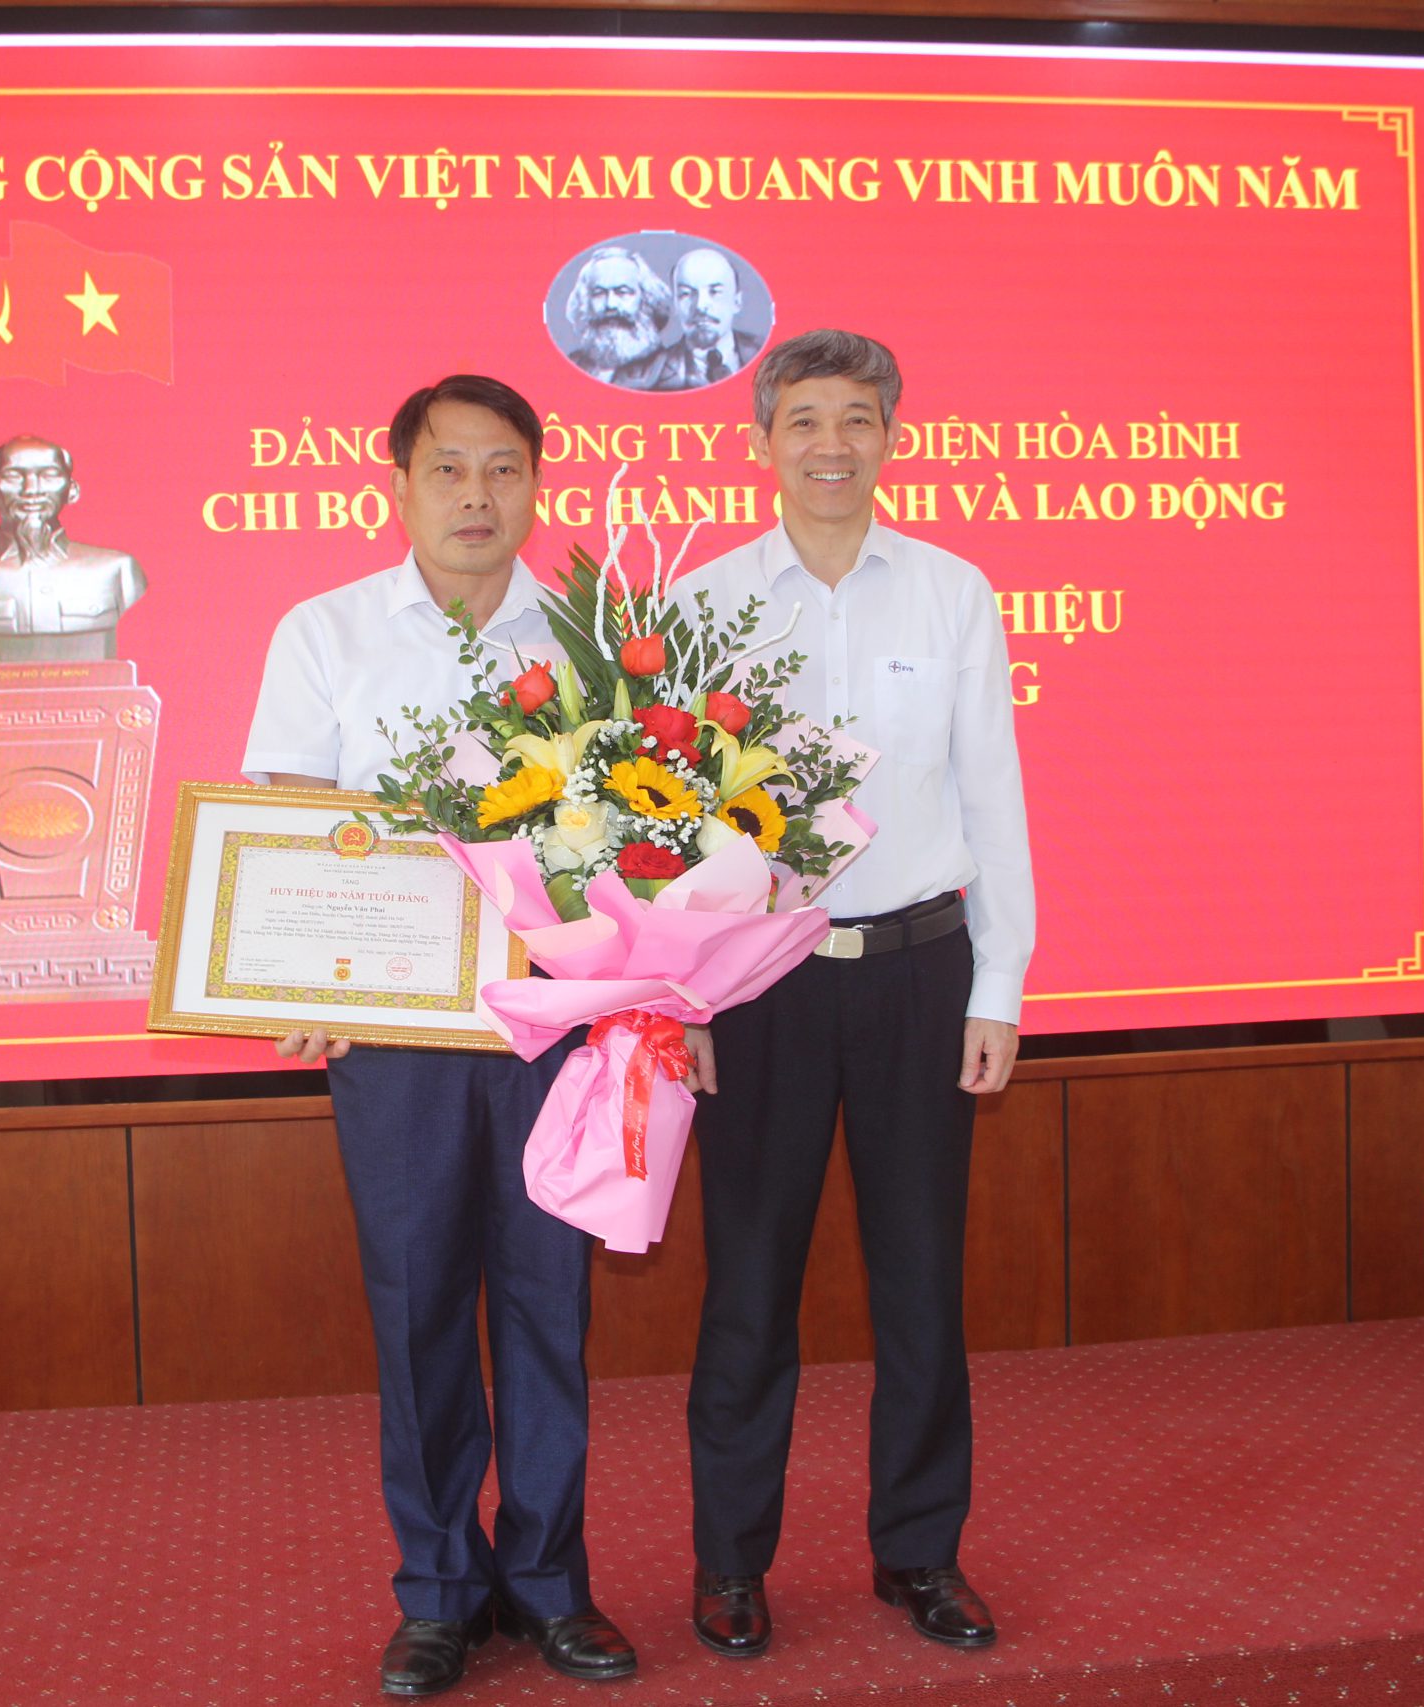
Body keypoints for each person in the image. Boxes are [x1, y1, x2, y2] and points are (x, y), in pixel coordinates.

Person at [241, 375, 639, 1698]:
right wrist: (300, 973)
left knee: (547, 1303)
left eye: (504, 467)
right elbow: (291, 819)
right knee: (417, 1308)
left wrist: (647, 997)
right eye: (450, 468)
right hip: (395, 1032)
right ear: (400, 484)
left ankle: (550, 1579)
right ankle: (438, 1591)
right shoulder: (327, 631)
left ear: (536, 483)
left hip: (553, 1024)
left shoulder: (592, 641)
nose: (478, 494)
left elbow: (647, 833)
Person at [675, 330, 1035, 1659]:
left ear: (891, 437)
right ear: (761, 441)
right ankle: (730, 1563)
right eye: (806, 420)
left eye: (859, 420)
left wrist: (999, 982)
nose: (832, 444)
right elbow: (668, 827)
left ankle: (921, 1552)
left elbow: (993, 792)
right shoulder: (703, 603)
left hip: (917, 973)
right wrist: (683, 998)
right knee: (748, 1287)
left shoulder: (953, 592)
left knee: (922, 1285)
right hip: (757, 980)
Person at [0, 436, 143, 662]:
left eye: (49, 475)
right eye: (13, 476)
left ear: (72, 490)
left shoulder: (118, 570)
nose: (31, 490)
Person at [615, 248, 765, 391]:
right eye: (686, 294)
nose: (700, 306)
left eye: (715, 292)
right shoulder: (642, 377)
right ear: (675, 304)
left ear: (737, 302)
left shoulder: (769, 356)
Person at [560, 246, 671, 383]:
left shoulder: (668, 369)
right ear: (586, 302)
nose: (610, 304)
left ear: (646, 300)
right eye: (599, 293)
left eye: (622, 292)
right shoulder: (571, 364)